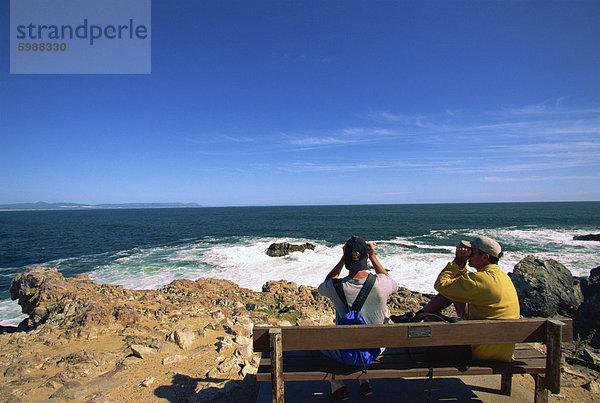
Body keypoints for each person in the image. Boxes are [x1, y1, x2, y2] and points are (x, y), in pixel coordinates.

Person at [318, 236, 398, 401]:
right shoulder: (382, 283)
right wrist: (373, 257)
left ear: (347, 257)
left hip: (345, 353)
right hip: (376, 351)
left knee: (323, 344)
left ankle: (338, 387)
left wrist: (342, 259)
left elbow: (325, 283)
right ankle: (364, 382)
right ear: (366, 256)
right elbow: (392, 282)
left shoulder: (335, 287)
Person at [422, 235, 520, 362]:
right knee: (455, 292)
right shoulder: (503, 277)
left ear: (485, 257)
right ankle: (422, 313)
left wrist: (458, 261)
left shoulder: (480, 279)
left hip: (479, 352)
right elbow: (459, 284)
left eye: (472, 253)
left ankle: (421, 314)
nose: (468, 256)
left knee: (429, 317)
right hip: (503, 351)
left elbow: (440, 284)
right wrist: (462, 266)